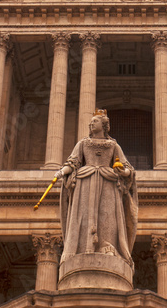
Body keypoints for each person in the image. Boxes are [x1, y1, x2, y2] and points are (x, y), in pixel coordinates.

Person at [55, 110, 138, 265]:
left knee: (107, 215)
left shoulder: (113, 145)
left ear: (104, 125)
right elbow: (73, 163)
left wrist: (123, 172)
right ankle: (82, 246)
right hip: (85, 181)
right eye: (91, 122)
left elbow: (128, 169)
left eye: (95, 122)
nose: (91, 124)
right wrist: (61, 172)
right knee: (83, 214)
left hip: (108, 182)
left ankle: (107, 245)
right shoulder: (83, 144)